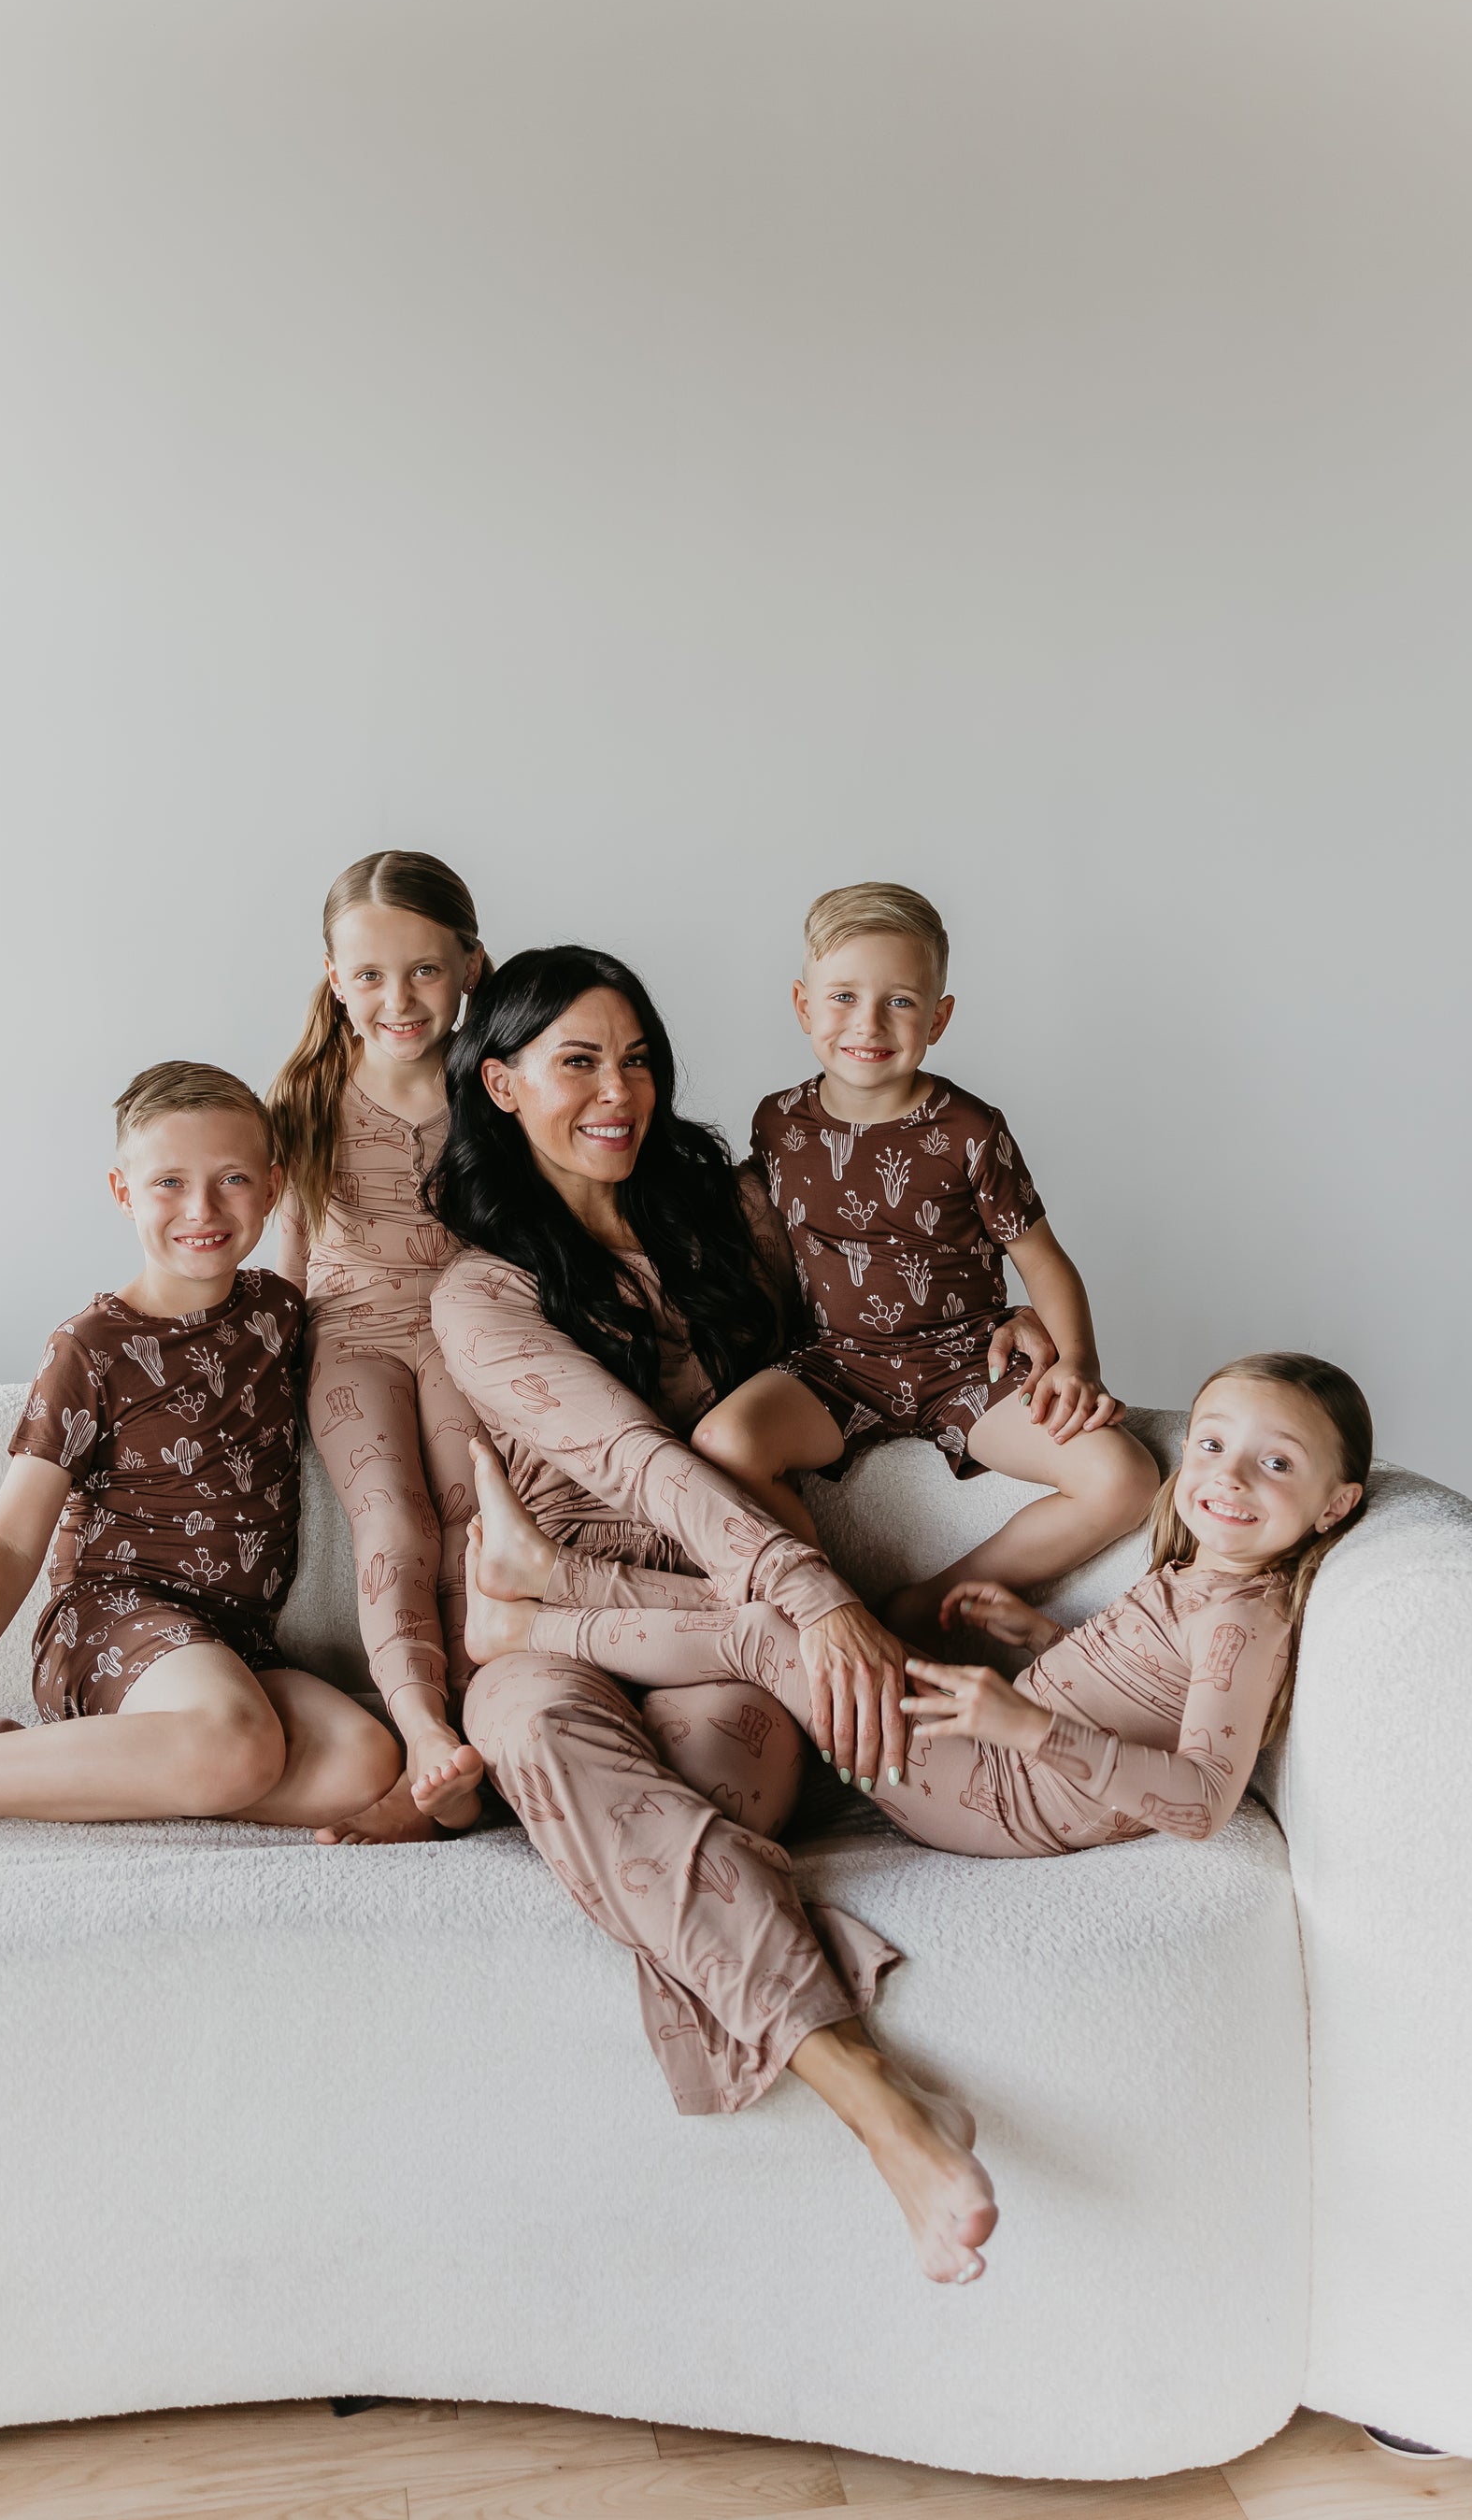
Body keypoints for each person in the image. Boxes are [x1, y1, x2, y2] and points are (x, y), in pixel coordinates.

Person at [427, 947, 1055, 2287]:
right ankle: (882, 2106)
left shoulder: (731, 1219)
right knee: (533, 1722)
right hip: (695, 1592)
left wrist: (1010, 1329)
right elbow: (638, 1460)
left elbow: (887, 1304)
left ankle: (536, 1617)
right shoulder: (479, 1290)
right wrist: (812, 1597)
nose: (620, 1089)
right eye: (578, 1059)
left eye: (638, 1055)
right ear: (501, 1082)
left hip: (637, 1602)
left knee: (714, 1782)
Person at [0, 1061, 432, 1895]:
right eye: (169, 1181)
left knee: (365, 1760)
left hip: (233, 1645)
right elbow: (7, 1536)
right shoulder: (91, 1347)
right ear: (122, 1190)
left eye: (233, 1178)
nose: (202, 1209)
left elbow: (363, 1252)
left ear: (275, 1185)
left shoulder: (277, 1314)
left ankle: (20, 1765)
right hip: (110, 1622)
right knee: (238, 1742)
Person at [467, 1347, 1371, 1855]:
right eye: (1212, 1444)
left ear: (1337, 1504)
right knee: (791, 1623)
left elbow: (1204, 1800)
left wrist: (1026, 1725)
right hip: (992, 1753)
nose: (1228, 1476)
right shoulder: (1206, 1576)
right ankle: (545, 1582)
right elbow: (1141, 1698)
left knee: (762, 1631)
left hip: (997, 1794)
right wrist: (1040, 1638)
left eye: (1277, 1462)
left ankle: (535, 1607)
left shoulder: (1243, 1617)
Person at [689, 881, 1159, 1631]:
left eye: (901, 1001)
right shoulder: (778, 1121)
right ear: (803, 1005)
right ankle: (831, 1600)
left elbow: (1042, 1258)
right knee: (721, 1443)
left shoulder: (971, 1129)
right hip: (835, 1363)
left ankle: (931, 1600)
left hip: (965, 1360)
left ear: (938, 1016)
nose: (868, 1023)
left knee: (1123, 1478)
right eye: (842, 996)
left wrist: (1077, 1363)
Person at [268, 850, 490, 1827]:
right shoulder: (307, 1095)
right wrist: (259, 1370)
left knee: (464, 1520)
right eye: (367, 975)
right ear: (333, 978)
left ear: (470, 966)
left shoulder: (496, 1090)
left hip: (461, 1334)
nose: (396, 998)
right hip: (350, 1339)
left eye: (423, 971)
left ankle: (468, 1745)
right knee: (393, 1523)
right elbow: (289, 1257)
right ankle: (421, 1734)